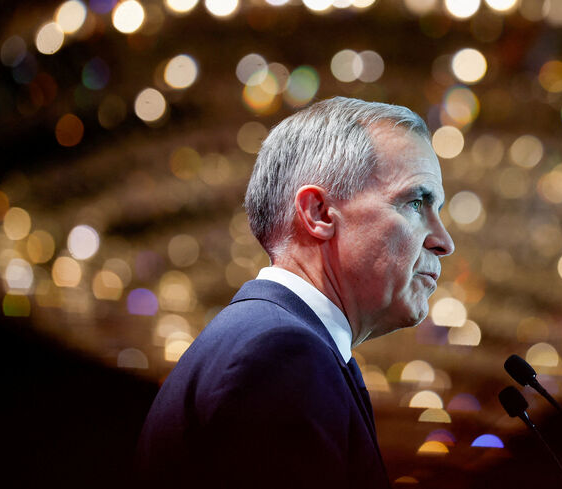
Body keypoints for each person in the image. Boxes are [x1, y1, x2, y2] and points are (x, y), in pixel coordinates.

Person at [136, 97, 455, 488]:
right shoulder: (280, 357)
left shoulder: (272, 343)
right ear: (319, 213)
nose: (444, 241)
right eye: (416, 203)